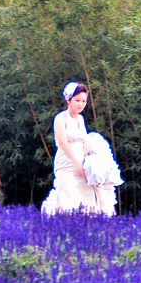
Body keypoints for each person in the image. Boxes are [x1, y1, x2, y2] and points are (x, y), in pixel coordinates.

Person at [41, 81, 99, 215]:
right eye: (77, 100)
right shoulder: (60, 118)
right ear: (69, 100)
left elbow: (85, 142)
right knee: (68, 199)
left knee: (86, 200)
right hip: (67, 163)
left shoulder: (81, 119)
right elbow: (63, 143)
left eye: (84, 101)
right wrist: (76, 163)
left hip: (82, 164)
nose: (81, 104)